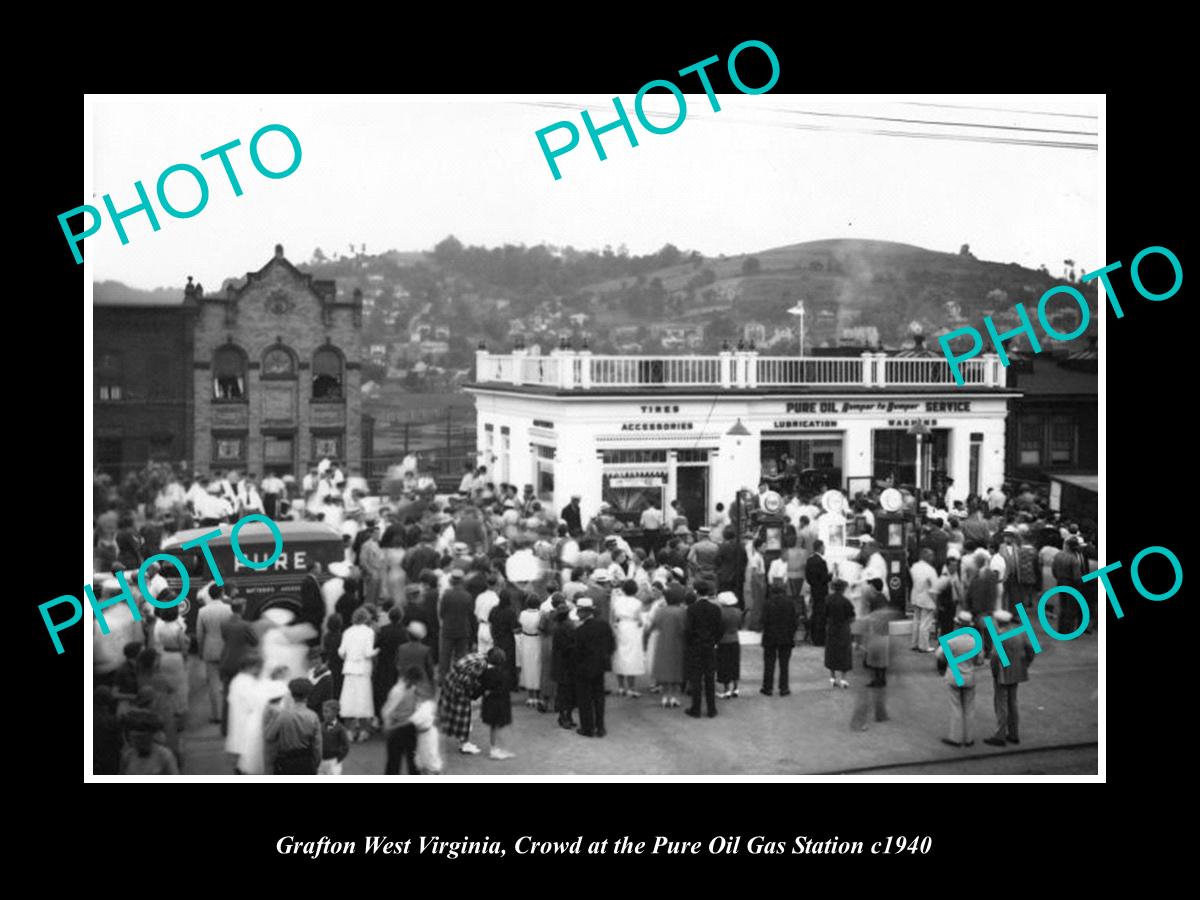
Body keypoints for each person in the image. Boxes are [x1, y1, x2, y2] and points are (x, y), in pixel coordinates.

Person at [983, 609, 1036, 747]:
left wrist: (994, 673)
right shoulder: (1020, 632)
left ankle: (1000, 735)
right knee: (1013, 703)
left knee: (1001, 704)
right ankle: (1014, 734)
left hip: (1002, 673)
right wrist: (1025, 664)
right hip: (1017, 672)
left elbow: (995, 657)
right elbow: (1031, 649)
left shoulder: (1000, 636)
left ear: (998, 622)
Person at [935, 610, 979, 748]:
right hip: (969, 676)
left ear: (958, 624)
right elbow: (980, 659)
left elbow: (939, 655)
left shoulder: (951, 640)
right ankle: (969, 738)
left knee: (956, 707)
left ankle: (955, 738)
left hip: (954, 676)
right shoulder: (975, 641)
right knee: (969, 708)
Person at [573, 597, 616, 737]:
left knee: (585, 699)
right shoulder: (604, 625)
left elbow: (577, 652)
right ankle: (600, 727)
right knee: (599, 697)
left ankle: (587, 728)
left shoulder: (580, 631)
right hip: (600, 666)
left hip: (584, 668)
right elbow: (611, 645)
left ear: (584, 612)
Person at [264, 678, 323, 775]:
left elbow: (269, 736)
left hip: (285, 761)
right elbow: (317, 746)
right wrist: (315, 764)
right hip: (306, 761)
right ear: (308, 695)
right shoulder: (313, 716)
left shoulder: (283, 715)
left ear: (291, 694)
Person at [338, 606, 379, 742]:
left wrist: (349, 658)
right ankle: (362, 732)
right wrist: (377, 650)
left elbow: (341, 652)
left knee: (349, 702)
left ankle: (349, 732)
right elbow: (368, 653)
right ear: (366, 618)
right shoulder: (369, 632)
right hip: (363, 670)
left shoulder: (347, 631)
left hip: (349, 669)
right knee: (363, 702)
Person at [684, 580, 723, 719]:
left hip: (695, 646)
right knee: (710, 677)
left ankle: (696, 708)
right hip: (710, 646)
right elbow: (720, 629)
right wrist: (714, 641)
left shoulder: (692, 609)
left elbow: (688, 630)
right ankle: (711, 709)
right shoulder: (716, 609)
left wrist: (690, 643)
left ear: (696, 592)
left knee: (696, 678)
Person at [437, 651, 489, 755]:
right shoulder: (481, 665)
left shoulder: (479, 656)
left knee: (445, 713)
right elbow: (469, 680)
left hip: (450, 681)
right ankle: (464, 744)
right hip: (458, 687)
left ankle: (431, 738)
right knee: (464, 714)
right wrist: (476, 692)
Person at [196, 583, 233, 724]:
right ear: (222, 593)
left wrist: (200, 650)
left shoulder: (203, 611)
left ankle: (216, 714)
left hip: (210, 648)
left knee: (213, 683)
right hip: (226, 648)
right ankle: (228, 713)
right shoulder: (229, 610)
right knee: (227, 682)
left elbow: (200, 634)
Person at [646, 587, 686, 708]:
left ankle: (665, 696)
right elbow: (684, 628)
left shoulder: (660, 611)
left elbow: (652, 626)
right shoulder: (682, 612)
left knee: (664, 669)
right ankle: (674, 696)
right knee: (676, 668)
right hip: (678, 642)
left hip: (662, 641)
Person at [381, 666, 421, 774]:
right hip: (397, 728)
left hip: (408, 727)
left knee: (413, 760)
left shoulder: (412, 688)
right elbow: (387, 711)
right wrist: (387, 726)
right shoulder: (397, 691)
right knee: (394, 761)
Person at [760, 583, 797, 696]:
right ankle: (784, 688)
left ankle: (768, 688)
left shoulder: (767, 603)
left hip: (770, 637)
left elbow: (763, 620)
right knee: (784, 664)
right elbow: (794, 621)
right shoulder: (790, 603)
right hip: (786, 637)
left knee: (769, 663)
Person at [611, 580, 645, 697]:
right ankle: (631, 687)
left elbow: (613, 617)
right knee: (632, 656)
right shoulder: (637, 603)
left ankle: (621, 687)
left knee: (619, 655)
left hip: (620, 627)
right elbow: (639, 619)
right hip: (633, 629)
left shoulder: (617, 601)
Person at [480, 647, 516, 760]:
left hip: (489, 704)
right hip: (500, 705)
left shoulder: (485, 672)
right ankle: (495, 749)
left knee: (494, 727)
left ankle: (496, 748)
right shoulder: (502, 673)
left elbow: (482, 687)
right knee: (498, 726)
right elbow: (505, 688)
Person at [438, 571, 475, 678]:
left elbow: (442, 613)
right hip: (463, 629)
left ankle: (442, 678)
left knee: (445, 656)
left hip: (448, 629)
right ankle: (460, 677)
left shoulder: (446, 595)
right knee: (461, 656)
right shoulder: (467, 596)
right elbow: (470, 614)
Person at [823, 579, 855, 689]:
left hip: (832, 628)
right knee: (844, 653)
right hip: (843, 629)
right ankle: (843, 679)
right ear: (843, 588)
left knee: (832, 652)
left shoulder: (828, 599)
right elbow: (851, 616)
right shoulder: (846, 601)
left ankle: (832, 677)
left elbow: (824, 614)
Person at [551, 605, 578, 729]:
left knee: (565, 691)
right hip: (565, 664)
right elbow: (566, 647)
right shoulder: (564, 628)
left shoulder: (559, 627)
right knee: (565, 692)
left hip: (561, 664)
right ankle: (564, 716)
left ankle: (566, 715)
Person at [909, 548, 939, 653]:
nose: (933, 558)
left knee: (916, 621)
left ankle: (914, 643)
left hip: (916, 595)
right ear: (926, 556)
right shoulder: (930, 570)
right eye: (931, 555)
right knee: (925, 623)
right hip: (927, 598)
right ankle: (923, 646)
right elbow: (934, 588)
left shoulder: (914, 567)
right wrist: (937, 603)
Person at [517, 595, 544, 708]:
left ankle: (530, 696)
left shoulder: (523, 614)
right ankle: (538, 696)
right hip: (537, 640)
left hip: (526, 640)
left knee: (527, 667)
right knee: (538, 667)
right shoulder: (540, 614)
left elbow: (520, 625)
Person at [716, 591, 742, 698]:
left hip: (723, 640)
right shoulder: (738, 612)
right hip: (735, 639)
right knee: (734, 663)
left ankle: (726, 689)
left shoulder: (720, 612)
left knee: (724, 664)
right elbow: (740, 625)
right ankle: (735, 688)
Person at [805, 540, 831, 646]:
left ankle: (814, 637)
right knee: (821, 615)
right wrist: (831, 575)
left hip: (814, 590)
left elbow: (808, 576)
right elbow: (824, 578)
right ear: (820, 547)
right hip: (822, 591)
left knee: (815, 613)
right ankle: (820, 639)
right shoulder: (821, 562)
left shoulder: (810, 560)